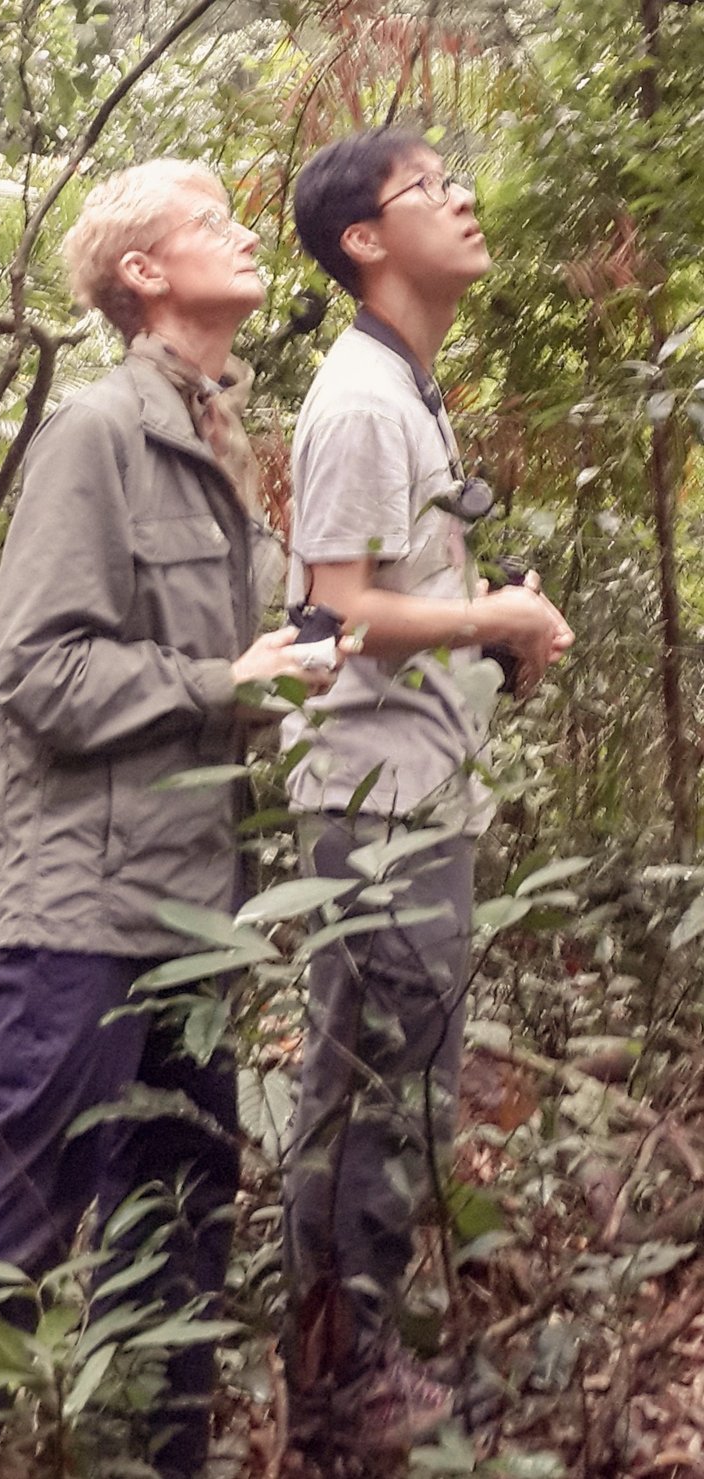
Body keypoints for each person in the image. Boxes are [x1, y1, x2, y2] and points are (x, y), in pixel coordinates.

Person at [0, 158, 335, 1479]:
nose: (244, 237)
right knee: (20, 1192)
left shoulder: (222, 440)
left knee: (177, 1201)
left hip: (197, 900)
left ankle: (143, 1458)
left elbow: (221, 673)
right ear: (143, 274)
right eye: (213, 224)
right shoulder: (94, 435)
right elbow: (35, 672)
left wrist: (286, 677)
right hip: (89, 905)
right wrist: (219, 681)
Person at [279, 128, 574, 1462]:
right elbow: (330, 614)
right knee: (382, 1092)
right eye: (428, 189)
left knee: (407, 1083)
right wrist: (489, 615)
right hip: (374, 805)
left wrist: (484, 629)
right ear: (364, 241)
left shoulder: (411, 388)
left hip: (420, 795)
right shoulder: (356, 398)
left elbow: (400, 589)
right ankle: (340, 1387)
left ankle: (363, 1358)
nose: (461, 198)